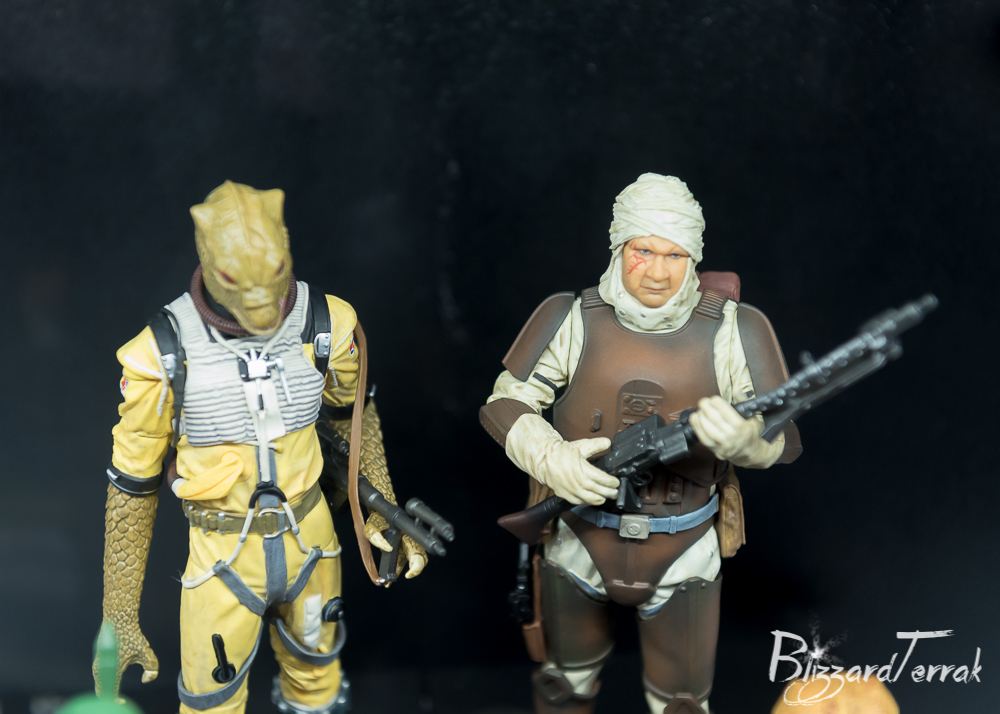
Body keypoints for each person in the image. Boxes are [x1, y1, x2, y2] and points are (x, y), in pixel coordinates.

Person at [98, 181, 426, 714]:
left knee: (318, 683)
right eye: (237, 280)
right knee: (211, 701)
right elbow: (133, 482)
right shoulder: (160, 353)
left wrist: (381, 508)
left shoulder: (326, 324)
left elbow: (353, 418)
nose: (259, 302)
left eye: (270, 275)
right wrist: (119, 614)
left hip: (311, 542)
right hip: (221, 556)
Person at [480, 173, 801, 714]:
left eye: (675, 255)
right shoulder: (570, 318)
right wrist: (550, 457)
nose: (657, 272)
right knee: (563, 688)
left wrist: (746, 440)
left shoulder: (736, 330)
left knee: (682, 703)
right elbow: (505, 402)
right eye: (643, 251)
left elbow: (784, 436)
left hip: (684, 547)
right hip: (577, 538)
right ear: (619, 248)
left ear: (694, 258)